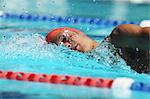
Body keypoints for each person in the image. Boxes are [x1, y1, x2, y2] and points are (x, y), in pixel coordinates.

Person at [45, 24, 150, 74]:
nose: (66, 46)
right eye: (60, 47)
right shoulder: (91, 70)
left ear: (78, 32)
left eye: (64, 38)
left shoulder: (119, 36)